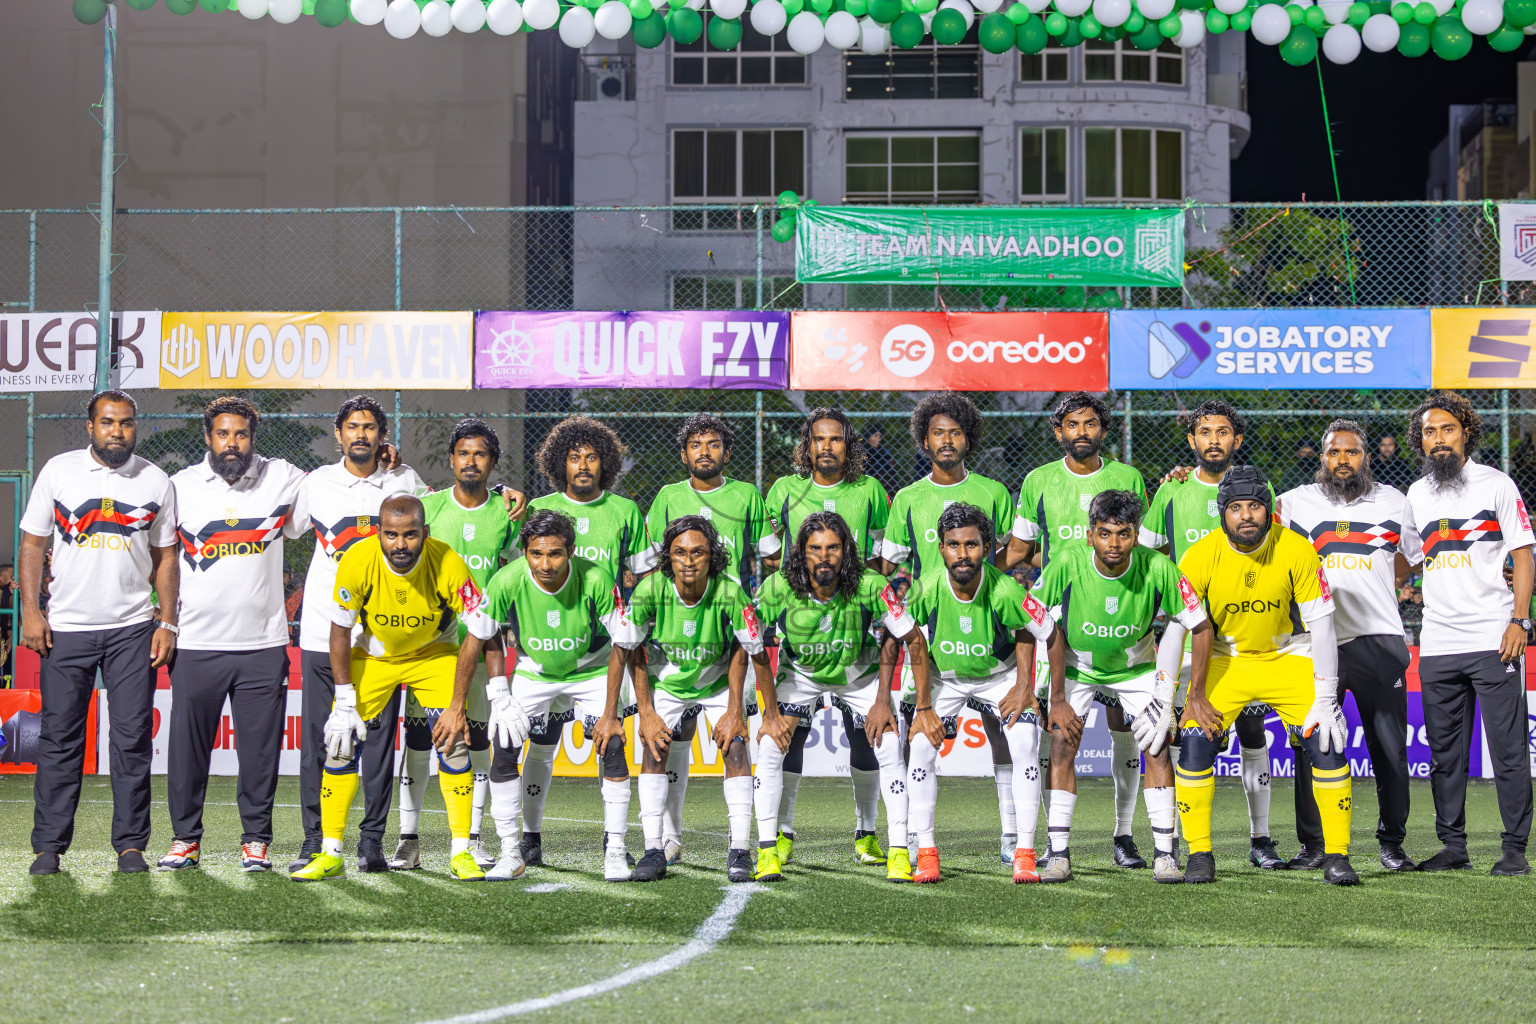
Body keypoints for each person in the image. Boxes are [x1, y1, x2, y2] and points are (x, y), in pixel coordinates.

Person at [291, 494, 499, 881]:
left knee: (453, 742)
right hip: (374, 656)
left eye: (410, 535)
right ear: (380, 533)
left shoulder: (448, 562)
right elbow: (338, 631)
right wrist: (344, 700)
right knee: (339, 743)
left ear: (425, 532)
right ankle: (331, 852)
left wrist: (462, 704)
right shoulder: (356, 558)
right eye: (390, 535)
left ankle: (461, 853)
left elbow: (485, 630)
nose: (399, 545)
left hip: (434, 653)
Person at [1170, 464, 1359, 885]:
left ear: (1268, 510)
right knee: (1195, 745)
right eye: (1236, 507)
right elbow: (1176, 628)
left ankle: (1337, 855)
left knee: (1326, 742)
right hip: (1225, 660)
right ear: (1223, 513)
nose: (1246, 516)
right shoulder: (1199, 555)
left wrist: (1326, 700)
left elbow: (1323, 625)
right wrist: (1171, 696)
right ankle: (1200, 853)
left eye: (1255, 506)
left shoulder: (1297, 548)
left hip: (1285, 655)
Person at [21, 390, 179, 875]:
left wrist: (166, 621)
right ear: (90, 427)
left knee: (131, 741)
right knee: (60, 739)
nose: (117, 431)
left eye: (126, 423)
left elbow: (166, 556)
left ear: (136, 427)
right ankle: (48, 847)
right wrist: (31, 610)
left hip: (132, 628)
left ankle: (130, 845)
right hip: (66, 627)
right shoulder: (58, 471)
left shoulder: (155, 480)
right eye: (108, 422)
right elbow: (31, 544)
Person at [1000, 391, 1150, 871]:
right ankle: (1054, 842)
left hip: (1122, 623)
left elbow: (1139, 550)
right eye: (1072, 424)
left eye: (1090, 424)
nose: (1081, 432)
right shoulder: (1039, 480)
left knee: (1126, 729)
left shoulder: (1128, 478)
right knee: (1057, 734)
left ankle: (1124, 835)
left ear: (1103, 430)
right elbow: (1020, 552)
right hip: (1058, 632)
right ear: (1058, 430)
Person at [157, 397, 307, 873]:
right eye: (223, 434)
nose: (232, 443)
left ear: (252, 438)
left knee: (260, 753)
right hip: (196, 644)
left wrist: (390, 463)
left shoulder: (283, 478)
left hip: (263, 645)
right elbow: (157, 556)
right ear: (208, 437)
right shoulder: (178, 487)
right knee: (186, 752)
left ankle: (256, 842)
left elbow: (343, 487)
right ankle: (185, 840)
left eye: (241, 434)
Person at [444, 509, 634, 882]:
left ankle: (615, 852)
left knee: (612, 745)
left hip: (592, 668)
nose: (545, 564)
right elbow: (476, 639)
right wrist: (459, 705)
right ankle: (511, 852)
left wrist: (611, 712)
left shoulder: (595, 577)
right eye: (536, 554)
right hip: (534, 671)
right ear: (525, 552)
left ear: (571, 551)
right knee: (504, 742)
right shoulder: (507, 579)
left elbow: (623, 644)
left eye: (555, 554)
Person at [870, 393, 1019, 866]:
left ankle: (1013, 835)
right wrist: (911, 607)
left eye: (955, 432)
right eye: (938, 432)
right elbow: (888, 566)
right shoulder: (908, 500)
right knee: (923, 735)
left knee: (1003, 730)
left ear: (968, 438)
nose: (947, 440)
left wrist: (981, 587)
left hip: (990, 638)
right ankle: (917, 839)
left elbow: (1016, 553)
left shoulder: (994, 493)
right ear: (924, 439)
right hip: (930, 642)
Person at [1030, 490, 1209, 884]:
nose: (1114, 544)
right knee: (1062, 742)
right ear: (1090, 533)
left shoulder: (1159, 568)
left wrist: (1192, 695)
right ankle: (1058, 853)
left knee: (1157, 745)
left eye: (1124, 534)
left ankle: (1165, 854)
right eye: (1105, 534)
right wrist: (1052, 696)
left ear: (1137, 532)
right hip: (1078, 667)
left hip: (1136, 671)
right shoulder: (1066, 563)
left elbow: (1201, 624)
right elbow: (1031, 620)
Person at [1138, 399, 1286, 869]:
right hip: (1188, 630)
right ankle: (1175, 839)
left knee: (1251, 729)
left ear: (1236, 441)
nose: (1214, 440)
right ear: (1193, 441)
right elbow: (1145, 557)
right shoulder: (1171, 493)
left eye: (1224, 432)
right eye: (1206, 432)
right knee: (1174, 731)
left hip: (1245, 632)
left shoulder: (1260, 491)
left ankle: (1260, 839)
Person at [287, 395, 428, 876]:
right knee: (320, 742)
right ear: (338, 434)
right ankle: (315, 839)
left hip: (382, 638)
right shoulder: (317, 484)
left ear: (382, 434)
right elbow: (283, 531)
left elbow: (440, 519)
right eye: (352, 426)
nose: (361, 434)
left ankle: (371, 842)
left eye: (370, 426)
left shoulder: (403, 481)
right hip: (323, 633)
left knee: (378, 741)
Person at [1278, 419, 1421, 872]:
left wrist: (1376, 587)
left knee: (1390, 750)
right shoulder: (1293, 503)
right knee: (1315, 747)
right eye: (1334, 452)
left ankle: (1392, 844)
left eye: (1352, 452)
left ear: (1366, 457)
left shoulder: (1395, 502)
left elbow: (1413, 560)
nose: (1343, 460)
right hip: (1314, 644)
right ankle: (1314, 845)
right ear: (1322, 457)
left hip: (1379, 641)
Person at [636, 414, 779, 866]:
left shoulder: (747, 496)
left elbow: (772, 557)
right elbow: (646, 564)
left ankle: (740, 848)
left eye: (713, 444)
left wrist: (752, 607)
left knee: (735, 740)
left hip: (728, 634)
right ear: (684, 454)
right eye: (695, 445)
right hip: (677, 637)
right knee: (668, 742)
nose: (704, 452)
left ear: (726, 452)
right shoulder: (666, 497)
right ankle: (664, 841)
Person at [1404, 391, 1535, 876]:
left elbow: (1523, 553)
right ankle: (1453, 847)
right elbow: (1411, 558)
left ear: (1466, 433)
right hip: (1437, 643)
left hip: (1492, 639)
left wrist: (1520, 620)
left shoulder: (1496, 485)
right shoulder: (1417, 495)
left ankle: (1514, 850)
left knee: (1508, 751)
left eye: (1447, 429)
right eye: (1429, 432)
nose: (1438, 439)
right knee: (1445, 757)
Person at [752, 511, 921, 883]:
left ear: (846, 551)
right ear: (801, 553)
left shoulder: (871, 584)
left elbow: (903, 636)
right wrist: (770, 712)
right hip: (800, 675)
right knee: (768, 745)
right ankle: (769, 848)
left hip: (857, 677)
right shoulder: (777, 588)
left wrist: (882, 701)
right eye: (815, 549)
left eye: (833, 548)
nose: (824, 556)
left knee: (889, 745)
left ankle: (896, 850)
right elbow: (752, 646)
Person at [515, 415, 648, 869]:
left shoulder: (626, 511)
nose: (583, 465)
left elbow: (644, 575)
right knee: (541, 742)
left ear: (604, 462)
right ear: (560, 463)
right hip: (546, 652)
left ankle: (615, 844)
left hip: (599, 654)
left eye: (591, 457)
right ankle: (528, 838)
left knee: (612, 743)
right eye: (574, 457)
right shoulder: (539, 507)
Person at [762, 408, 893, 867]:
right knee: (789, 737)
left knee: (865, 737)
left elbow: (880, 560)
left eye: (836, 440)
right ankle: (782, 834)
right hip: (802, 639)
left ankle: (867, 834)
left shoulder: (871, 491)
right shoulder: (782, 490)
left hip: (854, 637)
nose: (827, 447)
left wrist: (867, 604)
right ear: (808, 444)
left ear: (848, 445)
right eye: (819, 439)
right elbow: (771, 554)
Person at [610, 515, 772, 883]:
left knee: (735, 747)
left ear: (711, 555)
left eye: (698, 552)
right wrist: (647, 711)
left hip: (717, 681)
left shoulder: (730, 591)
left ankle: (740, 850)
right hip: (667, 683)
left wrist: (734, 711)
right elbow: (630, 649)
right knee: (655, 748)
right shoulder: (650, 590)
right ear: (667, 556)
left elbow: (744, 649)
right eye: (679, 552)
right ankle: (654, 849)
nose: (688, 560)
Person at [903, 504, 1059, 883]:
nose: (962, 554)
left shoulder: (1005, 589)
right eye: (953, 545)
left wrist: (1024, 688)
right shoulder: (925, 590)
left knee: (1024, 743)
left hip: (999, 677)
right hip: (948, 679)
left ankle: (1024, 850)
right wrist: (923, 705)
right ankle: (925, 850)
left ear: (986, 548)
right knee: (921, 747)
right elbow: (912, 640)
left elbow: (1039, 628)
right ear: (940, 548)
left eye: (971, 545)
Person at [392, 419, 520, 872]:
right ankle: (409, 838)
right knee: (421, 739)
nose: (470, 461)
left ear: (492, 462)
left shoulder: (507, 515)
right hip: (433, 646)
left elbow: (516, 577)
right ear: (451, 460)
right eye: (463, 453)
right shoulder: (428, 509)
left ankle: (471, 836)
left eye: (480, 454)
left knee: (476, 739)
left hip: (483, 647)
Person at [862, 421, 901, 501]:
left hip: (885, 488)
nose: (878, 438)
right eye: (875, 435)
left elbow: (892, 473)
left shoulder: (884, 452)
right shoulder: (862, 453)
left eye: (880, 435)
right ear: (868, 436)